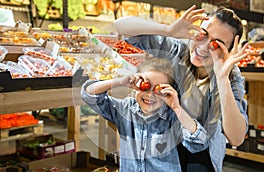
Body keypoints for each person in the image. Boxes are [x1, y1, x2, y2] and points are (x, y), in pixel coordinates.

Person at [114, 5, 249, 172]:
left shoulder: (231, 75)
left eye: (216, 45)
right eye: (202, 35)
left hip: (202, 151)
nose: (203, 47)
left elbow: (236, 138)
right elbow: (121, 25)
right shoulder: (177, 50)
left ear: (228, 51)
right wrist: (168, 30)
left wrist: (222, 79)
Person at [81, 57, 209, 172]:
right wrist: (120, 82)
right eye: (145, 86)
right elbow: (89, 94)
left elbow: (199, 143)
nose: (149, 95)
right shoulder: (126, 109)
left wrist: (177, 108)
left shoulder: (172, 117)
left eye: (159, 90)